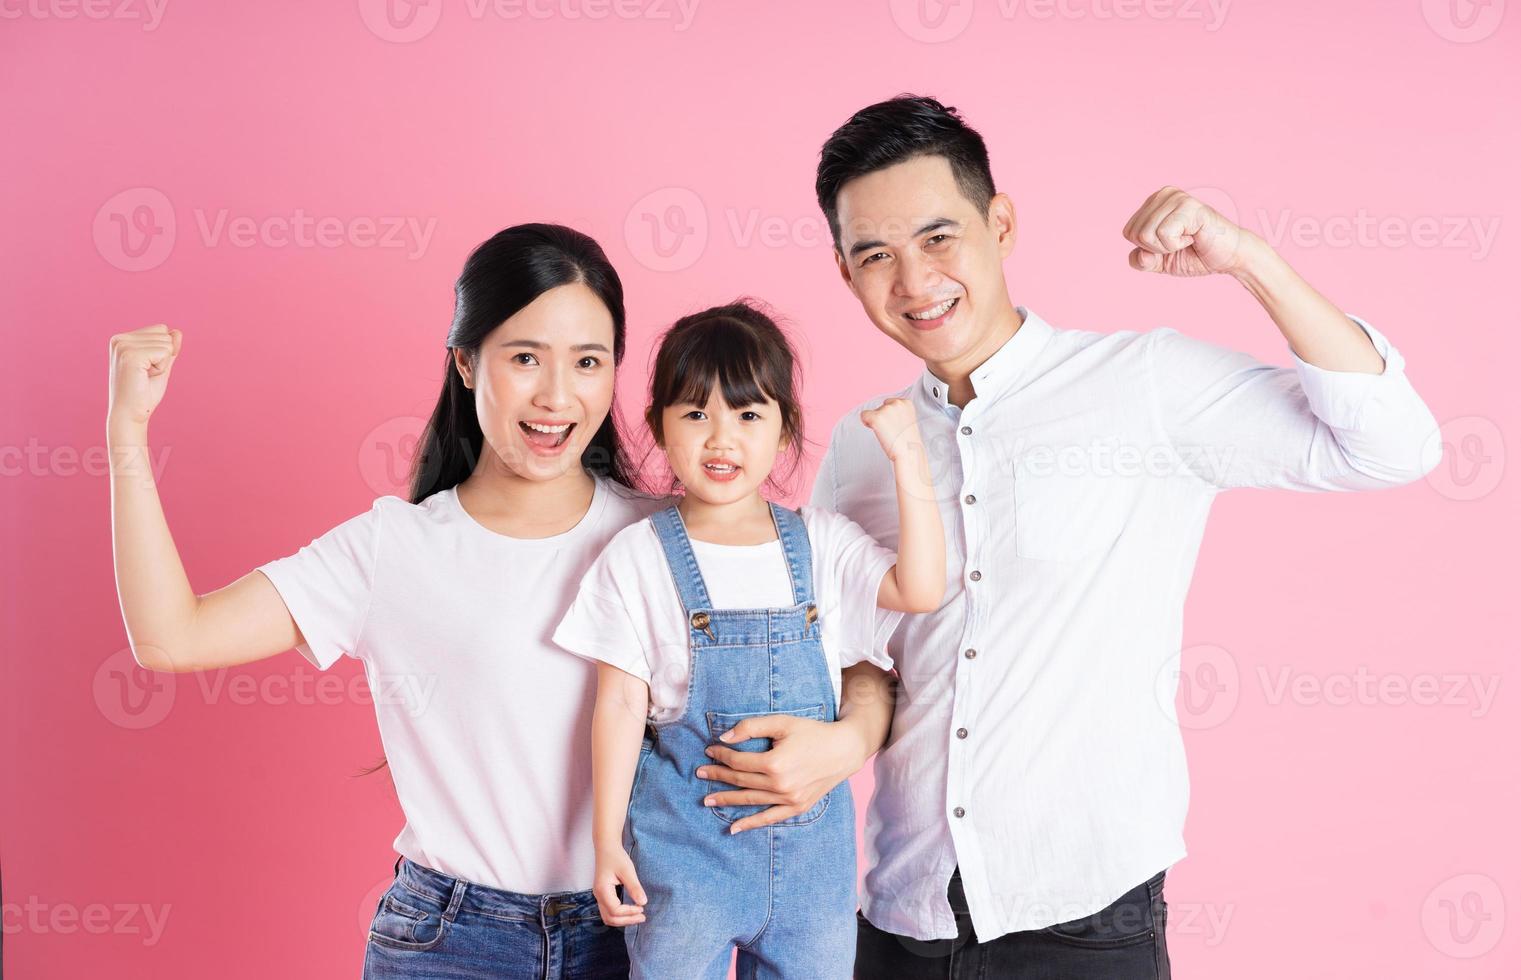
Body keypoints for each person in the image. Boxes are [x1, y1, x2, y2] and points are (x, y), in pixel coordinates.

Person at [808, 96, 1442, 979]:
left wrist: (1249, 262)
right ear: (844, 272)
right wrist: (839, 741)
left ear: (1000, 224)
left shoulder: (1140, 385)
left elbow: (1391, 446)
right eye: (875, 255)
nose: (914, 281)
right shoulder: (855, 445)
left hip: (1083, 919)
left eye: (938, 237)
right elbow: (859, 655)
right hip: (902, 913)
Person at [112, 223, 651, 978]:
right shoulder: (395, 549)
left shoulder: (663, 539)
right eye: (524, 357)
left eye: (588, 361)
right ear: (465, 362)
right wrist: (128, 433)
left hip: (636, 931)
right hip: (451, 944)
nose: (557, 395)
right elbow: (172, 638)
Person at [552, 300, 945, 979]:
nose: (720, 439)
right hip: (683, 864)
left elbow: (919, 590)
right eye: (695, 414)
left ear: (784, 430)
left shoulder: (820, 543)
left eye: (747, 414)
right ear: (659, 426)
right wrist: (603, 839)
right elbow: (617, 705)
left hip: (813, 877)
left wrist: (910, 459)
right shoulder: (636, 556)